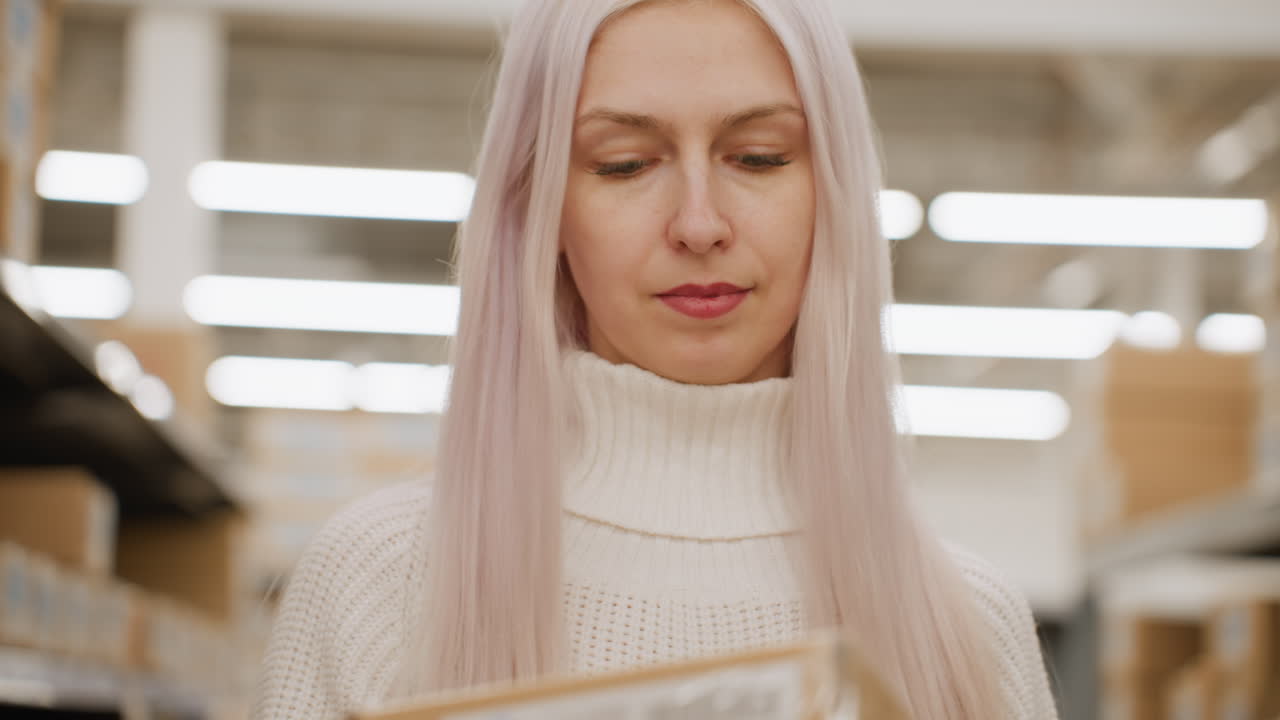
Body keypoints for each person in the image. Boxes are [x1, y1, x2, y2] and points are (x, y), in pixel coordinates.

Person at [255, 0, 1059, 718]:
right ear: (543, 210)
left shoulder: (967, 624)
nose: (699, 223)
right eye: (624, 164)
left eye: (760, 156)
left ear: (833, 195)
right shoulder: (379, 584)